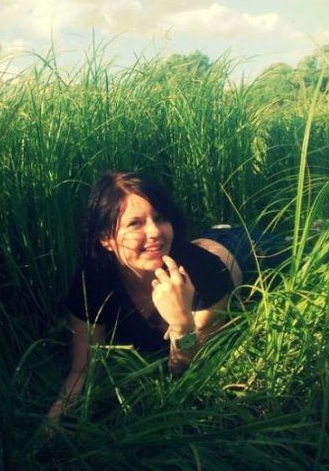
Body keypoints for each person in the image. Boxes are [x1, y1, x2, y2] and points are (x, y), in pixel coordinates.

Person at [47, 171, 286, 422]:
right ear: (106, 238)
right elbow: (82, 371)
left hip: (246, 249)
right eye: (135, 223)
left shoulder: (204, 275)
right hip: (202, 245)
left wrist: (182, 323)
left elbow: (189, 367)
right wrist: (49, 428)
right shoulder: (93, 281)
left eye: (160, 218)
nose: (154, 232)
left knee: (312, 248)